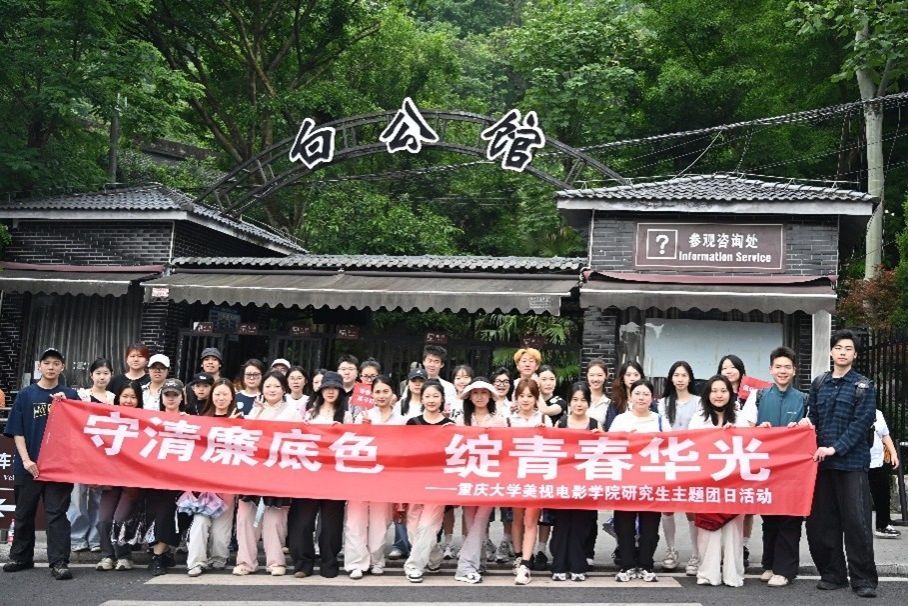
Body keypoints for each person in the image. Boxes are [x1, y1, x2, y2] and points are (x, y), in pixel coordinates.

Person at [800, 330, 878, 598]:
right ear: (831, 352)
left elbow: (861, 424)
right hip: (821, 465)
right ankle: (833, 575)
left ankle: (864, 580)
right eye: (839, 348)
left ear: (855, 355)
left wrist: (835, 448)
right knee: (821, 523)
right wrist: (802, 425)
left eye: (848, 349)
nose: (843, 352)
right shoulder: (819, 383)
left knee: (857, 524)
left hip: (851, 465)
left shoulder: (863, 386)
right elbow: (813, 417)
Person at [2, 347, 79, 580]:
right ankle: (21, 557)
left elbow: (79, 428)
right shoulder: (26, 395)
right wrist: (26, 460)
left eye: (56, 363)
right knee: (24, 513)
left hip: (59, 468)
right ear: (39, 366)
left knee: (56, 514)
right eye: (47, 363)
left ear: (62, 367)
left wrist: (68, 406)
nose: (51, 367)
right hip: (28, 465)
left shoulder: (70, 396)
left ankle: (59, 561)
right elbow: (17, 431)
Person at [741, 346, 807, 587]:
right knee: (769, 517)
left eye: (787, 367)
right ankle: (769, 564)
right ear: (770, 369)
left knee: (790, 517)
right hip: (766, 467)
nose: (782, 371)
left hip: (794, 469)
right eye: (778, 367)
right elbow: (745, 429)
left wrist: (801, 427)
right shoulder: (758, 396)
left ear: (794, 370)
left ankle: (785, 570)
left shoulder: (804, 399)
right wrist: (758, 430)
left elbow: (811, 428)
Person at [233, 370, 299, 576]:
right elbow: (244, 439)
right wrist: (255, 415)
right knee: (245, 517)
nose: (272, 390)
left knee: (275, 519)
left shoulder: (293, 413)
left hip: (279, 474)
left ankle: (276, 562)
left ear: (284, 389)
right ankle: (245, 561)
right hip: (252, 473)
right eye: (268, 386)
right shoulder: (254, 411)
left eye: (276, 386)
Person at [290, 371, 352, 578]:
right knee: (303, 521)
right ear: (320, 390)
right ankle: (303, 563)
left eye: (335, 388)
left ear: (341, 392)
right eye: (327, 388)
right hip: (309, 474)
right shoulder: (308, 414)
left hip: (335, 476)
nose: (331, 391)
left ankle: (329, 563)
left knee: (331, 523)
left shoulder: (347, 416)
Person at [689, 375, 748, 587]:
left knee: (733, 531)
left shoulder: (740, 419)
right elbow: (690, 446)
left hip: (733, 482)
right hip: (707, 482)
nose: (719, 395)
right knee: (707, 529)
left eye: (723, 390)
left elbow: (751, 445)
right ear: (707, 394)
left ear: (730, 394)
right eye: (714, 391)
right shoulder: (698, 419)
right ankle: (707, 573)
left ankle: (733, 574)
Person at [344, 375, 404, 579]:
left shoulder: (401, 421)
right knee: (355, 521)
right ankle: (356, 563)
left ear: (393, 394)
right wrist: (363, 429)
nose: (381, 395)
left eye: (385, 391)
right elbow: (351, 446)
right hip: (360, 477)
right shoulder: (363, 417)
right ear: (371, 394)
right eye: (377, 392)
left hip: (385, 478)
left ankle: (376, 560)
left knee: (380, 522)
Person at [453, 378, 505, 584]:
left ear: (490, 396)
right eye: (475, 393)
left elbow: (505, 448)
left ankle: (465, 566)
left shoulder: (499, 420)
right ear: (469, 396)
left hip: (490, 478)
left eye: (484, 392)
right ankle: (478, 560)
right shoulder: (461, 420)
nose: (480, 396)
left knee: (481, 520)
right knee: (470, 520)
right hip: (467, 476)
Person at [609, 378, 662, 583]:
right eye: (637, 393)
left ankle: (646, 565)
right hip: (625, 480)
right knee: (624, 525)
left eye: (646, 394)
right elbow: (608, 447)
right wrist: (624, 440)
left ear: (652, 398)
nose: (641, 398)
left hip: (652, 480)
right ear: (630, 397)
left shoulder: (659, 420)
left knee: (650, 526)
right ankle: (627, 565)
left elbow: (671, 446)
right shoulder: (621, 420)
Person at [186, 379, 238, 577]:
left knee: (222, 527)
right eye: (217, 394)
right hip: (205, 483)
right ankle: (196, 562)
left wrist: (233, 425)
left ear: (232, 397)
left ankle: (219, 558)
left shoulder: (240, 419)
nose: (221, 398)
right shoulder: (202, 419)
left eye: (225, 394)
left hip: (228, 482)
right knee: (200, 521)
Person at [403, 380, 453, 583]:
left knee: (427, 525)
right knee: (413, 527)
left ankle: (414, 566)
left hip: (438, 484)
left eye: (435, 396)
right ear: (421, 399)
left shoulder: (450, 426)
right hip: (415, 482)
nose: (431, 400)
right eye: (427, 396)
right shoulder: (412, 423)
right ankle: (434, 556)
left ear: (442, 399)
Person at [549, 382, 600, 581]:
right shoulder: (561, 424)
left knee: (581, 525)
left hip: (586, 484)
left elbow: (605, 454)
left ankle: (578, 565)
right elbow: (552, 451)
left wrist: (599, 439)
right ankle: (559, 565)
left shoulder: (595, 425)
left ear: (589, 402)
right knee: (562, 524)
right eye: (575, 400)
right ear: (569, 402)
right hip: (564, 483)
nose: (579, 404)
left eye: (583, 400)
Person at [655, 361, 700, 574]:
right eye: (676, 375)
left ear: (690, 378)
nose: (680, 379)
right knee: (667, 507)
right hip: (668, 459)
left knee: (692, 509)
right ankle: (671, 550)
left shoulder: (699, 402)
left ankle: (696, 554)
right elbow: (662, 429)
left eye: (684, 375)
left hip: (691, 460)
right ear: (671, 379)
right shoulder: (663, 403)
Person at [95, 381, 143, 571]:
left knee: (120, 518)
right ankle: (107, 556)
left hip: (132, 483)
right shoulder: (108, 419)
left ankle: (124, 556)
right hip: (110, 479)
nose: (128, 401)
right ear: (117, 398)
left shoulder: (146, 421)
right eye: (125, 396)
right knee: (104, 519)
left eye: (133, 397)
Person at [508, 378, 551, 584]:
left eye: (530, 396)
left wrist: (545, 433)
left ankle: (526, 563)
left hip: (536, 474)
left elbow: (554, 447)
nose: (525, 400)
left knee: (531, 519)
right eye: (522, 395)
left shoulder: (544, 419)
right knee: (517, 518)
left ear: (536, 398)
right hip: (514, 475)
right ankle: (518, 556)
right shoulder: (508, 420)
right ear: (516, 397)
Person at [69, 358, 115, 554]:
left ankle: (95, 539)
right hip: (81, 453)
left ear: (111, 375)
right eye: (98, 373)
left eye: (105, 373)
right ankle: (77, 538)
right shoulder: (81, 396)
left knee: (98, 498)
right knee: (78, 497)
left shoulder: (114, 398)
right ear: (91, 375)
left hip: (103, 454)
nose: (102, 377)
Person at [147, 378, 188, 575]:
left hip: (181, 479)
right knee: (158, 515)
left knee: (170, 515)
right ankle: (160, 554)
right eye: (167, 395)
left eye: (175, 395)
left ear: (182, 397)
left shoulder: (190, 421)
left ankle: (159, 555)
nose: (171, 398)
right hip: (155, 477)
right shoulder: (152, 420)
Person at [869, 409, 901, 539]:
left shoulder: (878, 413)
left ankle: (883, 525)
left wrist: (893, 453)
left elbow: (885, 435)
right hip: (858, 462)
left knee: (883, 494)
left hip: (877, 460)